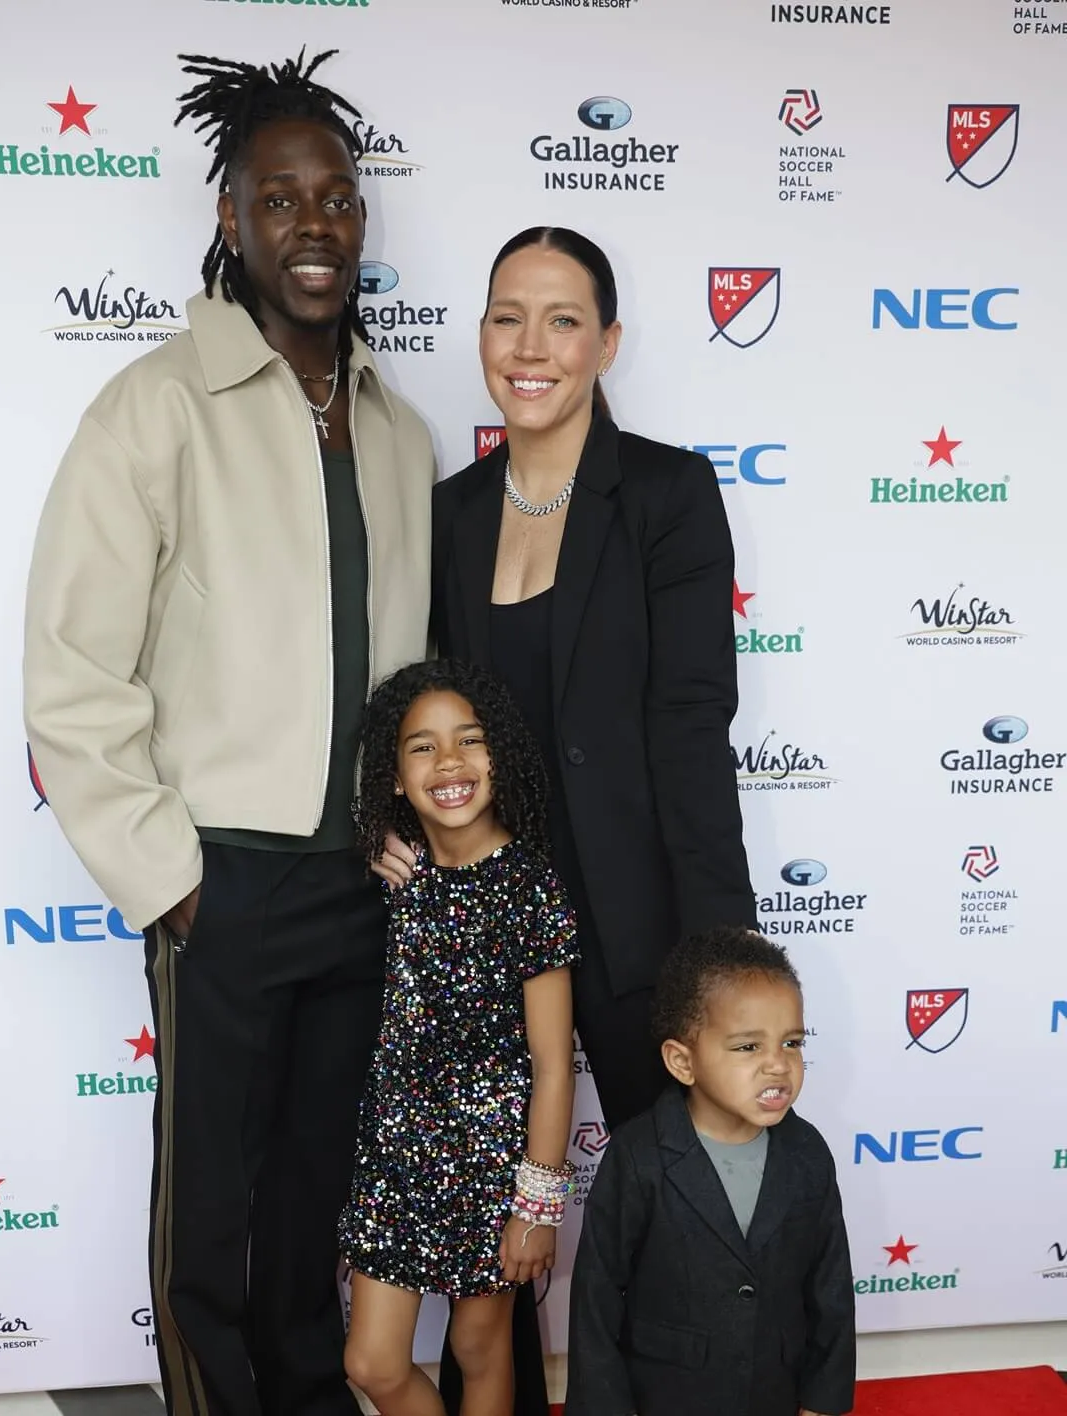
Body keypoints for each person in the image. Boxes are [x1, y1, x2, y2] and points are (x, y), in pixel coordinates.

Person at [22, 50, 436, 1416]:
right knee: (208, 1220)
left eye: (337, 200)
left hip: (355, 886)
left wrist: (399, 833)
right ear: (230, 219)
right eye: (280, 199)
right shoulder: (152, 410)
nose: (313, 227)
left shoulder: (397, 429)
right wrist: (174, 878)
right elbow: (74, 668)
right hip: (223, 881)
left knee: (315, 1193)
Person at [374, 226, 758, 1411]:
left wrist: (722, 954)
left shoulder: (667, 493)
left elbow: (694, 726)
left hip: (647, 914)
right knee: (494, 1243)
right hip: (494, 927)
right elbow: (420, 710)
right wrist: (376, 825)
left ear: (607, 340)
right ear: (479, 334)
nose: (529, 347)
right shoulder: (447, 512)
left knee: (679, 1206)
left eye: (560, 319)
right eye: (506, 316)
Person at [339, 659, 579, 1416]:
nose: (449, 762)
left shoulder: (528, 886)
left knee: (480, 1350)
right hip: (395, 1163)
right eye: (422, 747)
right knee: (373, 1363)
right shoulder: (394, 876)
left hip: (491, 1168)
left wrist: (535, 1206)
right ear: (393, 776)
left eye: (469, 740)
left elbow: (553, 1067)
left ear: (498, 755)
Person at [565, 926, 855, 1416]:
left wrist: (821, 1401)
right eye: (748, 1047)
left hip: (774, 1395)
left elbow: (830, 1289)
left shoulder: (808, 1154)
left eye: (790, 1043)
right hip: (666, 1397)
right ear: (683, 1061)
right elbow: (596, 1302)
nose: (777, 1066)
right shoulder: (639, 1156)